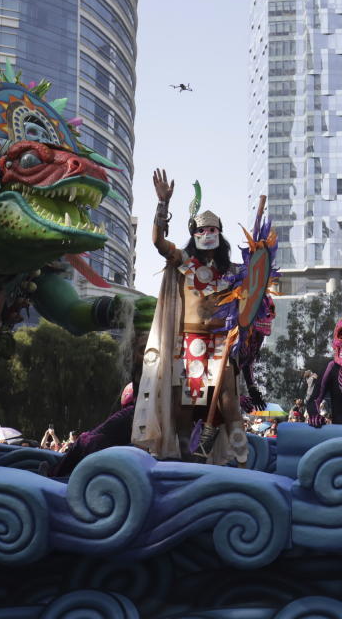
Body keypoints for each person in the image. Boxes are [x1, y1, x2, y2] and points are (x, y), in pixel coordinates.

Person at [132, 169, 247, 465]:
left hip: (222, 345)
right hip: (189, 345)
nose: (206, 234)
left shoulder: (234, 272)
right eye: (200, 230)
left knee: (228, 403)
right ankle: (184, 464)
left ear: (220, 234)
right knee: (183, 408)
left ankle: (242, 462)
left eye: (212, 230)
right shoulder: (183, 262)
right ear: (193, 235)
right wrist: (162, 205)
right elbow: (158, 242)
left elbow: (255, 295)